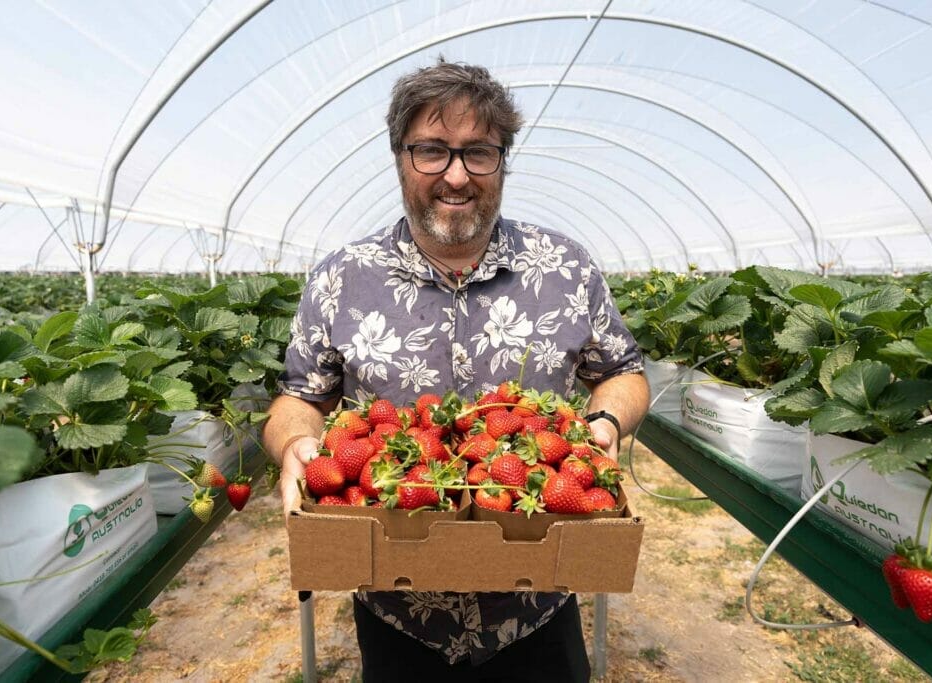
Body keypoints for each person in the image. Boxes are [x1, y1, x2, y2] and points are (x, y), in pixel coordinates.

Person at [263, 58, 649, 682]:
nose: (457, 175)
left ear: (503, 160)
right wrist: (294, 444)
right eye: (432, 151)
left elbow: (625, 371)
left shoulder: (566, 268)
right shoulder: (341, 278)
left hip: (538, 603)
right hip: (396, 606)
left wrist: (604, 420)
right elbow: (299, 398)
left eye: (479, 153)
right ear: (399, 157)